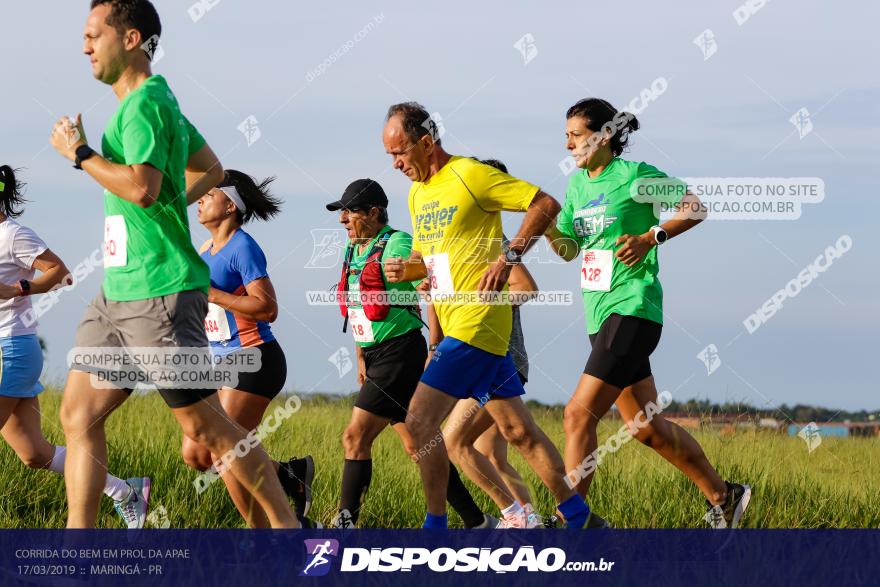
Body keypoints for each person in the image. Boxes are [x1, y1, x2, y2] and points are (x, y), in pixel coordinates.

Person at [49, 0, 303, 528]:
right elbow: (210, 169)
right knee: (76, 413)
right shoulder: (156, 101)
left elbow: (142, 187)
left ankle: (288, 536)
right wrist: (165, 207)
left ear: (132, 38)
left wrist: (80, 154)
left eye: (94, 34)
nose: (84, 46)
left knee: (209, 430)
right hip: (117, 290)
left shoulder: (144, 105)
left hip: (158, 290)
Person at [382, 102, 592, 529]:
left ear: (427, 142)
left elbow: (545, 203)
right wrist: (412, 271)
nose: (397, 164)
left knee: (419, 424)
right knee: (520, 433)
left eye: (400, 152)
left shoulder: (471, 174)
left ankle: (435, 529)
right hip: (461, 326)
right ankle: (580, 517)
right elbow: (432, 260)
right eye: (390, 156)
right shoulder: (418, 192)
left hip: (480, 323)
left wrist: (509, 257)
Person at [544, 97, 751, 528]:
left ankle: (571, 524)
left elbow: (695, 206)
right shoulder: (577, 187)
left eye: (576, 136)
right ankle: (725, 496)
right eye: (566, 137)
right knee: (645, 427)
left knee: (577, 415)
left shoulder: (634, 177)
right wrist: (545, 223)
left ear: (603, 136)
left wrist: (650, 236)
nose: (568, 146)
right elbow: (567, 251)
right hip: (598, 314)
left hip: (633, 307)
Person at [326, 178, 495, 529]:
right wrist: (360, 356)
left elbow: (432, 283)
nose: (343, 219)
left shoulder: (397, 243)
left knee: (354, 436)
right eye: (341, 213)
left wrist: (436, 344)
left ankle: (345, 524)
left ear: (373, 213)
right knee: (420, 444)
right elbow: (360, 305)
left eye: (350, 212)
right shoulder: (353, 249)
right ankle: (477, 522)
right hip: (375, 356)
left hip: (400, 353)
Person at [0, 165, 149, 528]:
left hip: (10, 350)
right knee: (34, 453)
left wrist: (20, 288)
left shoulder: (12, 235)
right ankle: (124, 492)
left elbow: (61, 272)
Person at [179, 169, 316, 527]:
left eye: (209, 194)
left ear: (230, 205)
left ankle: (269, 536)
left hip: (254, 358)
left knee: (224, 452)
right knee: (196, 454)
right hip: (220, 363)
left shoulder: (243, 247)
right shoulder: (204, 249)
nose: (201, 200)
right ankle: (289, 477)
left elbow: (267, 308)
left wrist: (215, 295)